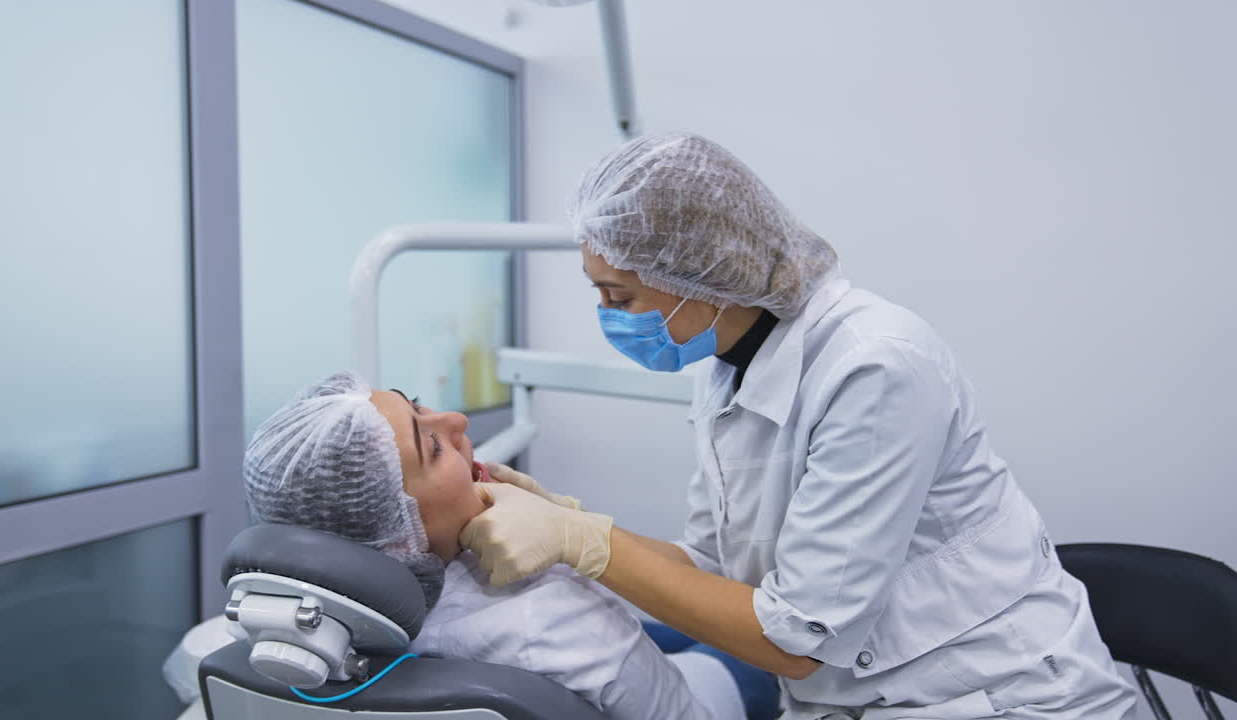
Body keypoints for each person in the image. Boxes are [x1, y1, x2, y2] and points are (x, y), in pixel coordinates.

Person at [457, 132, 1139, 719]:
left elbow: (796, 639)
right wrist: (565, 517)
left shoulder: (875, 366)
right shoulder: (728, 364)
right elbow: (714, 568)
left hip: (998, 698)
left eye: (620, 295)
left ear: (700, 273)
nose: (608, 314)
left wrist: (584, 543)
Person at [242, 371, 780, 720]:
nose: (456, 421)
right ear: (401, 531)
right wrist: (576, 541)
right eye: (431, 444)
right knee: (752, 657)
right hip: (698, 700)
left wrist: (571, 523)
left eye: (422, 406)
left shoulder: (309, 622)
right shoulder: (547, 618)